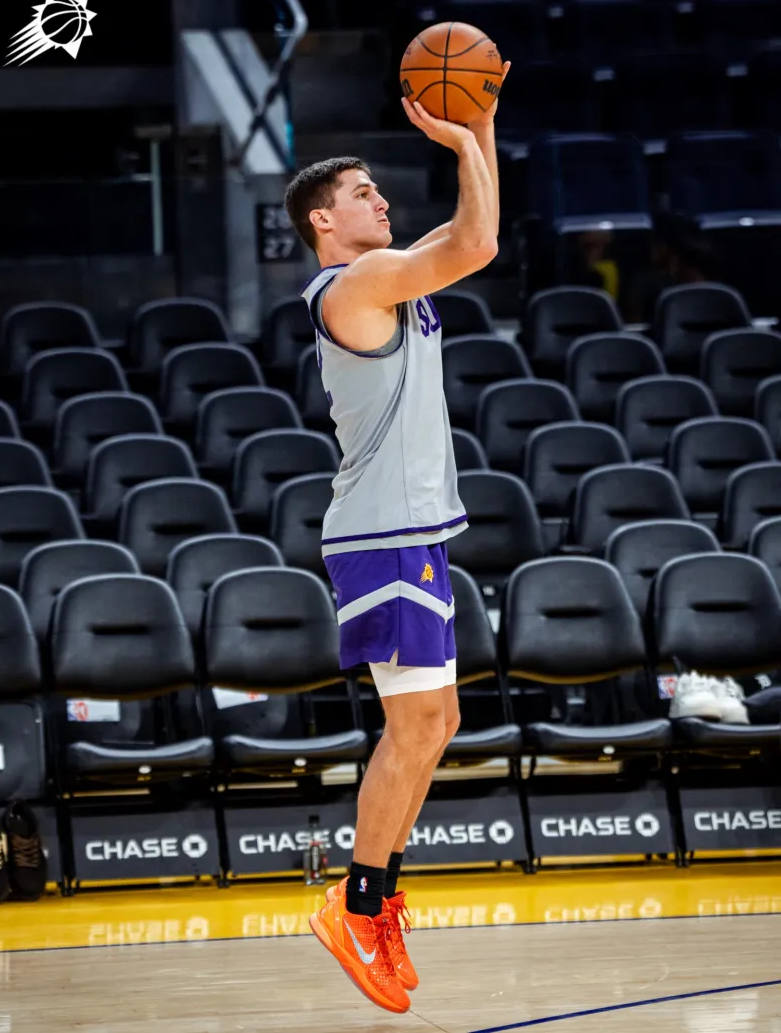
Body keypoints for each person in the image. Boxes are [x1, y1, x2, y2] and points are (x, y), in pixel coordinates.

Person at [283, 71, 508, 1015]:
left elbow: (467, 242)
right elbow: (480, 241)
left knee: (439, 724)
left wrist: (484, 125)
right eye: (361, 192)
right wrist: (467, 142)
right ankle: (357, 900)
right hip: (382, 536)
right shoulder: (356, 282)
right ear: (324, 225)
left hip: (410, 532)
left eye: (379, 186)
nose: (380, 197)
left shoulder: (388, 272)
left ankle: (380, 895)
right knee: (417, 725)